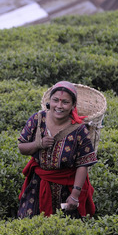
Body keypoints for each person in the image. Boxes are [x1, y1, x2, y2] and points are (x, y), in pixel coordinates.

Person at [17, 81, 97, 218]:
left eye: (65, 102)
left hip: (66, 189)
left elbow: (83, 164)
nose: (59, 106)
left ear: (73, 106)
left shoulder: (79, 130)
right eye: (55, 100)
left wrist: (75, 195)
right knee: (28, 224)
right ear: (49, 101)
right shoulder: (37, 119)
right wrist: (39, 144)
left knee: (64, 229)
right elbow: (22, 147)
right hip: (38, 184)